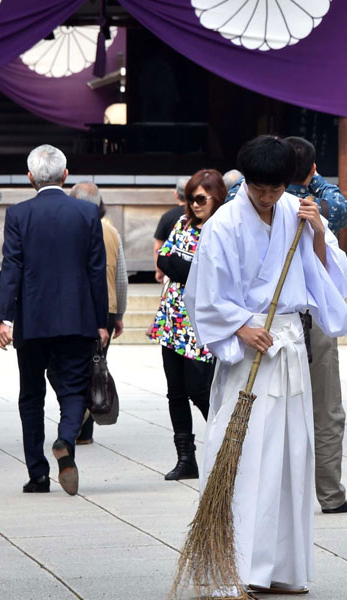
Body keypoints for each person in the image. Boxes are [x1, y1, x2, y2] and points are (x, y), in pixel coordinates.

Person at [185, 136, 347, 594]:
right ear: (247, 182)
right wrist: (241, 326)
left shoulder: (294, 211)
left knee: (291, 457)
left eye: (276, 188)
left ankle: (283, 568)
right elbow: (204, 295)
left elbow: (323, 274)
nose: (267, 198)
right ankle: (238, 567)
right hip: (249, 353)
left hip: (288, 345)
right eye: (260, 189)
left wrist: (318, 231)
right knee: (246, 457)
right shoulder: (223, 225)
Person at [0, 145, 109, 496]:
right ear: (65, 175)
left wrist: (5, 318)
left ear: (29, 177)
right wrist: (101, 320)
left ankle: (38, 474)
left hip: (32, 320)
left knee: (31, 395)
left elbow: (11, 267)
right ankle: (65, 441)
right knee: (73, 389)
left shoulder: (18, 215)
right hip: (77, 317)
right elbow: (96, 271)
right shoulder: (87, 214)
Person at [283, 136, 347, 514]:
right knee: (325, 409)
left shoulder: (243, 204)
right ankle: (329, 493)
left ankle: (277, 493)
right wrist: (314, 179)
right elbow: (344, 209)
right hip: (314, 316)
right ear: (312, 170)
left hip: (265, 323)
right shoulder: (322, 207)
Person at [150, 169, 223, 480]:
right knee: (175, 392)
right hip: (172, 322)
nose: (194, 204)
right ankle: (185, 458)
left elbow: (213, 274)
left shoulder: (222, 229)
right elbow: (164, 260)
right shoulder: (182, 223)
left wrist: (181, 267)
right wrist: (184, 268)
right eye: (191, 198)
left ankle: (226, 447)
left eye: (201, 198)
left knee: (200, 390)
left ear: (216, 197)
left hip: (201, 323)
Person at [70, 181, 128, 445]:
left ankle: (74, 424)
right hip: (106, 309)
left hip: (76, 307)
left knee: (74, 369)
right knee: (95, 368)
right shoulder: (111, 232)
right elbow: (121, 278)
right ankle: (85, 431)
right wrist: (118, 314)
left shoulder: (68, 228)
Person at [154, 177, 189, 283]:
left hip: (171, 270)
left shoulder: (167, 216)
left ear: (176, 195)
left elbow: (158, 247)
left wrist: (159, 270)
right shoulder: (200, 218)